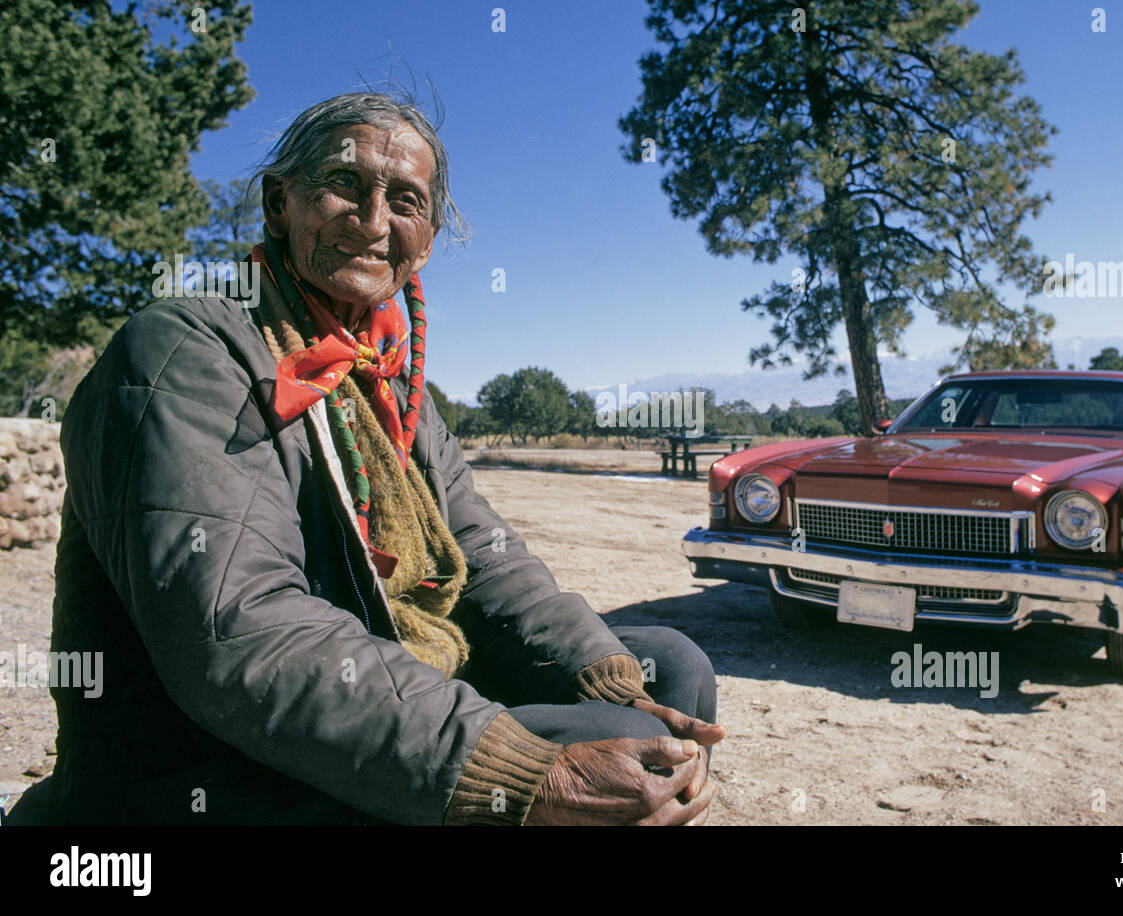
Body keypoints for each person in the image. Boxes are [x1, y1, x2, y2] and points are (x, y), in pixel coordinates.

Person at [8, 92, 723, 826]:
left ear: (430, 237)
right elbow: (238, 630)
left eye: (405, 201)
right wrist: (514, 767)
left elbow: (484, 554)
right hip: (202, 766)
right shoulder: (190, 352)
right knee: (622, 744)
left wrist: (602, 677)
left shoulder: (388, 379)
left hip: (369, 676)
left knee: (665, 671)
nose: (373, 221)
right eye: (345, 184)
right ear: (280, 203)